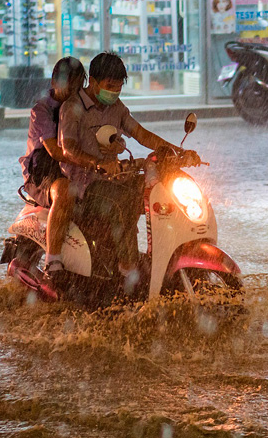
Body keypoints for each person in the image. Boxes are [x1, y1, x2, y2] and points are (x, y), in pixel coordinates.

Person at [58, 52, 193, 289]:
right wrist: (97, 163)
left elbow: (141, 134)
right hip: (85, 186)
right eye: (110, 86)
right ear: (94, 81)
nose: (114, 92)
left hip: (115, 178)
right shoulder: (72, 108)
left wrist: (176, 153)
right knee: (121, 204)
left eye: (119, 87)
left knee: (159, 191)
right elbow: (68, 150)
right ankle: (128, 275)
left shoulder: (117, 108)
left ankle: (162, 258)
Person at [18, 57, 100, 278]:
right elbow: (55, 152)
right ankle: (52, 262)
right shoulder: (42, 110)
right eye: (68, 84)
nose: (72, 91)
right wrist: (93, 161)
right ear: (54, 81)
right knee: (64, 191)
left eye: (77, 86)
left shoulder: (83, 108)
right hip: (44, 171)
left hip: (75, 167)